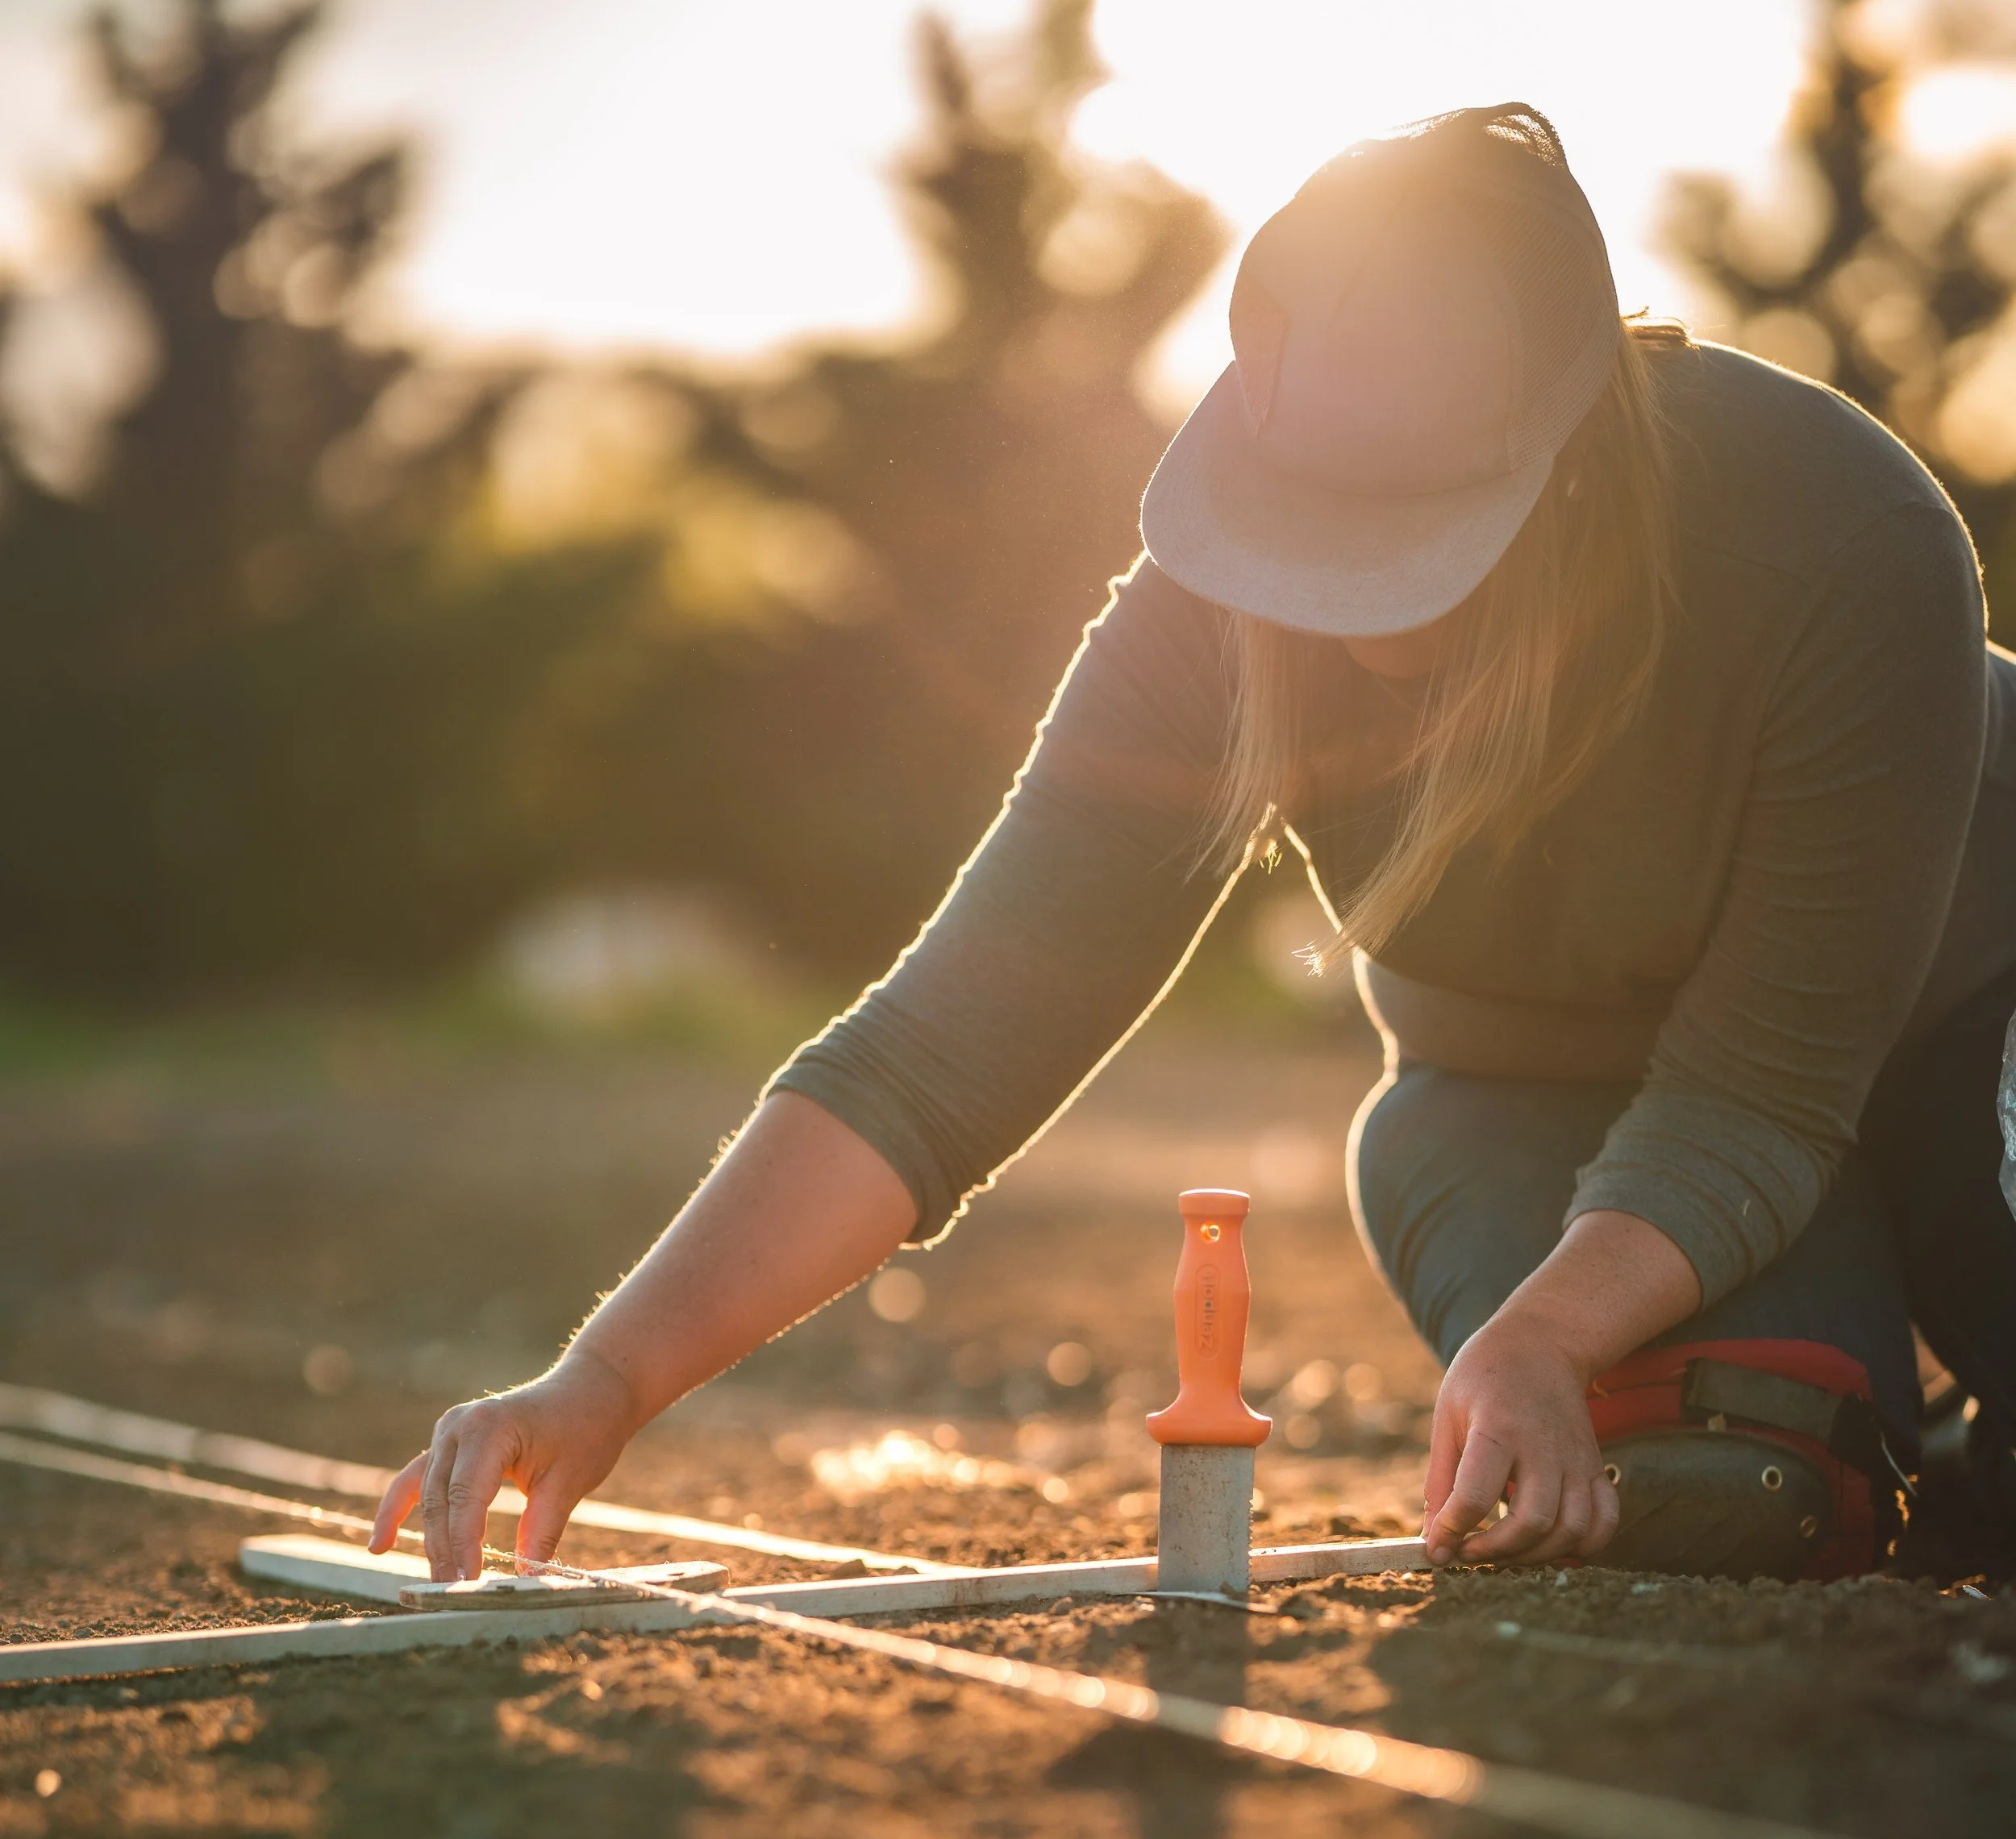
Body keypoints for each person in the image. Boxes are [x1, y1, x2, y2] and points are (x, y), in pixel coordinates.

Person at [374, 103, 2016, 1587]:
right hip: (1535, 1105)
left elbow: (1764, 1088)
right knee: (1746, 1495)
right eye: (1315, 539)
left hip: (1959, 1017)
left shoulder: (1838, 539)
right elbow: (940, 1048)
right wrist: (604, 1374)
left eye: (1408, 553)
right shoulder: (1205, 615)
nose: (1351, 619)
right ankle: (1884, 1412)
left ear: (1570, 468)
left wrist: (1537, 1332)